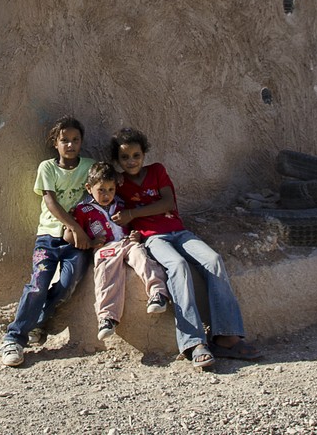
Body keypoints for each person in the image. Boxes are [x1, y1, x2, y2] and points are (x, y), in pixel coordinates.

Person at [108, 126, 262, 370]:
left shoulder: (157, 171)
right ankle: (193, 342)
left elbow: (168, 202)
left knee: (213, 260)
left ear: (144, 154)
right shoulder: (118, 183)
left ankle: (226, 336)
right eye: (124, 157)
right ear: (117, 159)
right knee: (177, 266)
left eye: (136, 155)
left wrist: (132, 213)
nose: (131, 161)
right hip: (153, 238)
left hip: (179, 231)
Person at [0, 116, 95, 367]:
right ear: (55, 142)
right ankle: (14, 338)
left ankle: (38, 321)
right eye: (64, 140)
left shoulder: (89, 166)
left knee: (68, 283)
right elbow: (51, 203)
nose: (70, 145)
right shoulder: (47, 168)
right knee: (37, 284)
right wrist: (75, 227)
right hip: (49, 238)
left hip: (76, 242)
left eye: (75, 140)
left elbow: (99, 192)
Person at [64, 161, 170, 341]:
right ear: (89, 188)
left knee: (141, 256)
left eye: (111, 190)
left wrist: (136, 236)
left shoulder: (120, 204)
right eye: (101, 190)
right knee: (106, 272)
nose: (107, 195)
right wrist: (89, 243)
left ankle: (158, 293)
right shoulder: (83, 209)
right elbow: (68, 235)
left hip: (126, 242)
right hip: (105, 248)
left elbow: (134, 224)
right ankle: (107, 317)